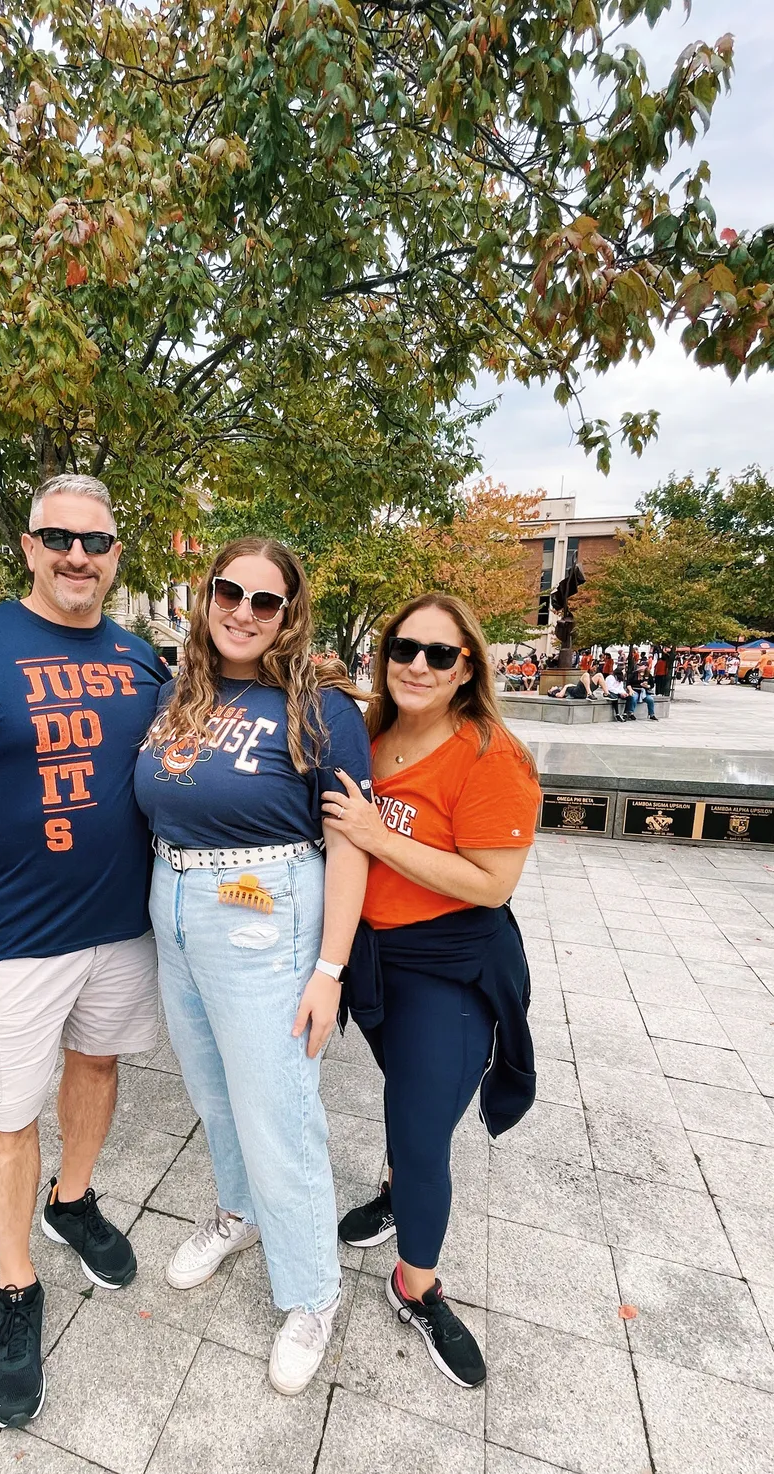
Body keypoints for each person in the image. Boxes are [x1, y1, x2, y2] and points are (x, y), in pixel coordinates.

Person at [0, 473, 171, 1430]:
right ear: (27, 546)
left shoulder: (142, 660)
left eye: (95, 543)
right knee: (8, 1110)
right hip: (16, 940)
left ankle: (75, 1198)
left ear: (115, 557)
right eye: (58, 538)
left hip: (123, 928)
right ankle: (16, 1285)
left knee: (97, 1065)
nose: (77, 557)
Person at [134, 539, 371, 1396]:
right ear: (207, 596)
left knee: (277, 1104)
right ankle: (237, 1211)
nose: (242, 610)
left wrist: (330, 970)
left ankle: (311, 1292)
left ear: (289, 613)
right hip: (178, 902)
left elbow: (350, 845)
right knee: (211, 1088)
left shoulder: (322, 708)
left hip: (266, 910)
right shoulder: (179, 693)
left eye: (264, 601)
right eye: (228, 591)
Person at [329, 593, 539, 1390]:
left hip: (448, 968)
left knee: (421, 1131)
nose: (418, 664)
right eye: (403, 648)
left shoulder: (490, 754)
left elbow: (492, 884)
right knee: (407, 1097)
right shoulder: (370, 733)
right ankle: (394, 1192)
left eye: (440, 655)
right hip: (374, 962)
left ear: (467, 669)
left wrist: (378, 836)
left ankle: (416, 1286)